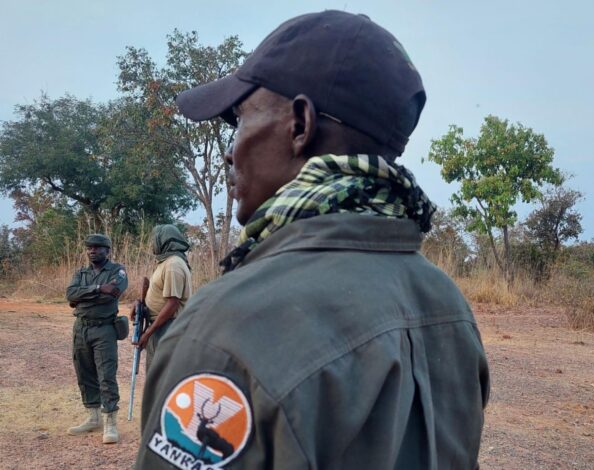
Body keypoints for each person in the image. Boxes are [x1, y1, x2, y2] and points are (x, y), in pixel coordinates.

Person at [136, 11, 489, 469]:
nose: (230, 149)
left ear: (300, 124)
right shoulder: (448, 306)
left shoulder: (228, 329)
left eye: (239, 119)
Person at [66, 233, 128, 444]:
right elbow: (70, 294)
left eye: (98, 248)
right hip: (81, 328)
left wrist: (82, 297)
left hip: (104, 329)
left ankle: (110, 421)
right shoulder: (81, 272)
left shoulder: (118, 271)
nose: (92, 251)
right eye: (90, 248)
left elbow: (113, 292)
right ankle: (93, 417)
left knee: (106, 374)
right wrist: (99, 288)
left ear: (107, 251)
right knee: (84, 372)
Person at [131, 224, 192, 371]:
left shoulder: (173, 264)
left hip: (167, 328)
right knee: (154, 376)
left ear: (164, 241)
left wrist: (148, 333)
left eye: (154, 240)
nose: (152, 244)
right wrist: (140, 303)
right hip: (160, 327)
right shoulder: (165, 262)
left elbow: (173, 304)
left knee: (161, 379)